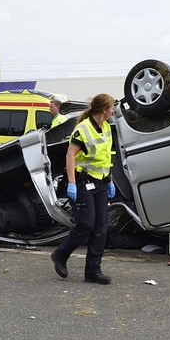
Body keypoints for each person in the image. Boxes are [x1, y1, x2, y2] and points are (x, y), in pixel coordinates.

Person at [50, 94, 117, 285]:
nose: (113, 111)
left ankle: (93, 271)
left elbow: (107, 156)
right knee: (86, 224)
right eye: (111, 108)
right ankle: (60, 255)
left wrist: (110, 180)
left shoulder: (106, 128)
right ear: (104, 109)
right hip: (82, 181)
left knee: (101, 228)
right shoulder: (83, 129)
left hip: (101, 182)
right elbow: (70, 155)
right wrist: (71, 183)